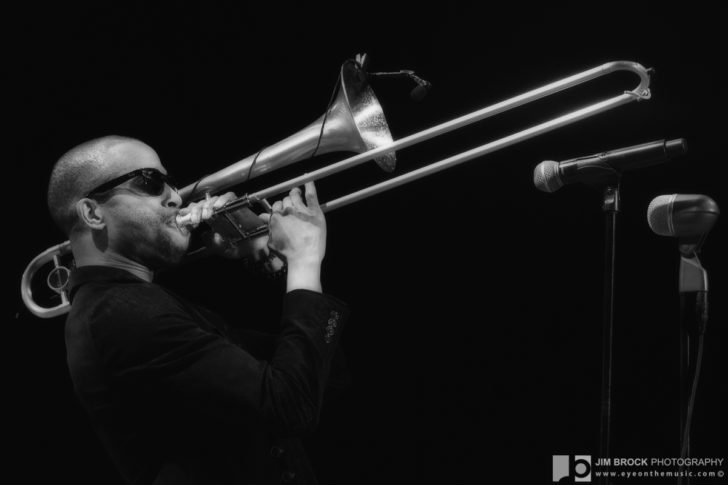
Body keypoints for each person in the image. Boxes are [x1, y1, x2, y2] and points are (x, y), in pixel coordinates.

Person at [48, 135, 347, 484]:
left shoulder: (133, 303)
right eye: (150, 182)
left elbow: (324, 376)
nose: (176, 196)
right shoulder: (120, 315)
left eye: (171, 182)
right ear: (92, 213)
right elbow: (291, 406)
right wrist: (305, 260)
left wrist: (270, 260)